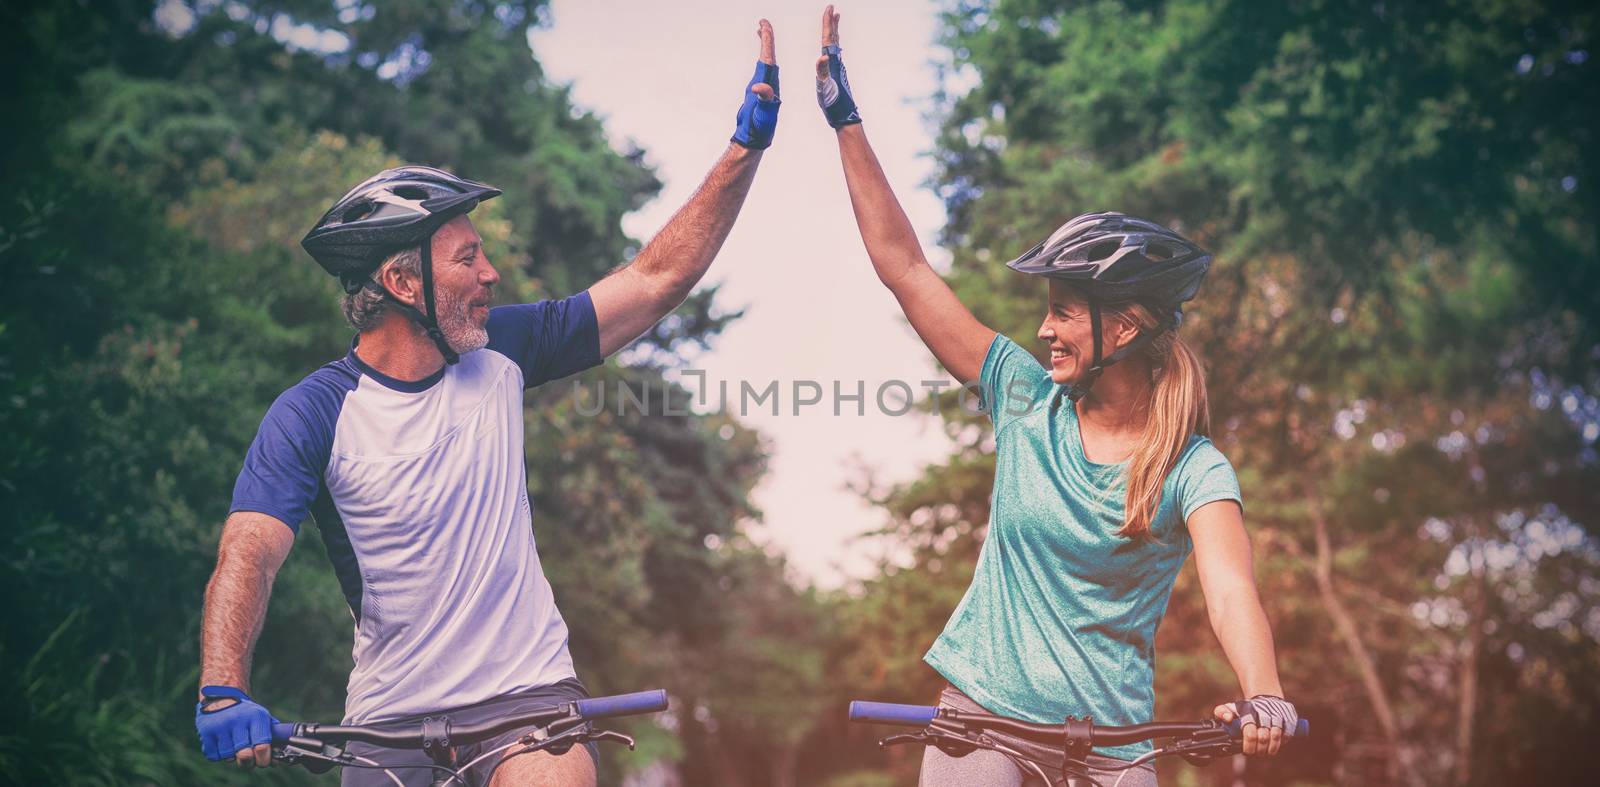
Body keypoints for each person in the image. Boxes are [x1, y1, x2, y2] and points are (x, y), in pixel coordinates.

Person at [193, 21, 783, 787]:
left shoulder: (502, 348)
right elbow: (249, 552)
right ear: (405, 285)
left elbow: (652, 280)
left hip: (526, 702)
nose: (493, 273)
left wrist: (743, 149)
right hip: (389, 719)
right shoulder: (312, 413)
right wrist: (222, 686)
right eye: (468, 257)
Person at [813, 7, 1297, 786]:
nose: (1043, 331)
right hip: (985, 720)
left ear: (1128, 327)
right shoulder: (1022, 397)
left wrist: (1262, 692)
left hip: (1114, 746)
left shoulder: (1192, 468)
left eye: (1065, 311)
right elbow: (905, 267)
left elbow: (1231, 587)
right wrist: (845, 120)